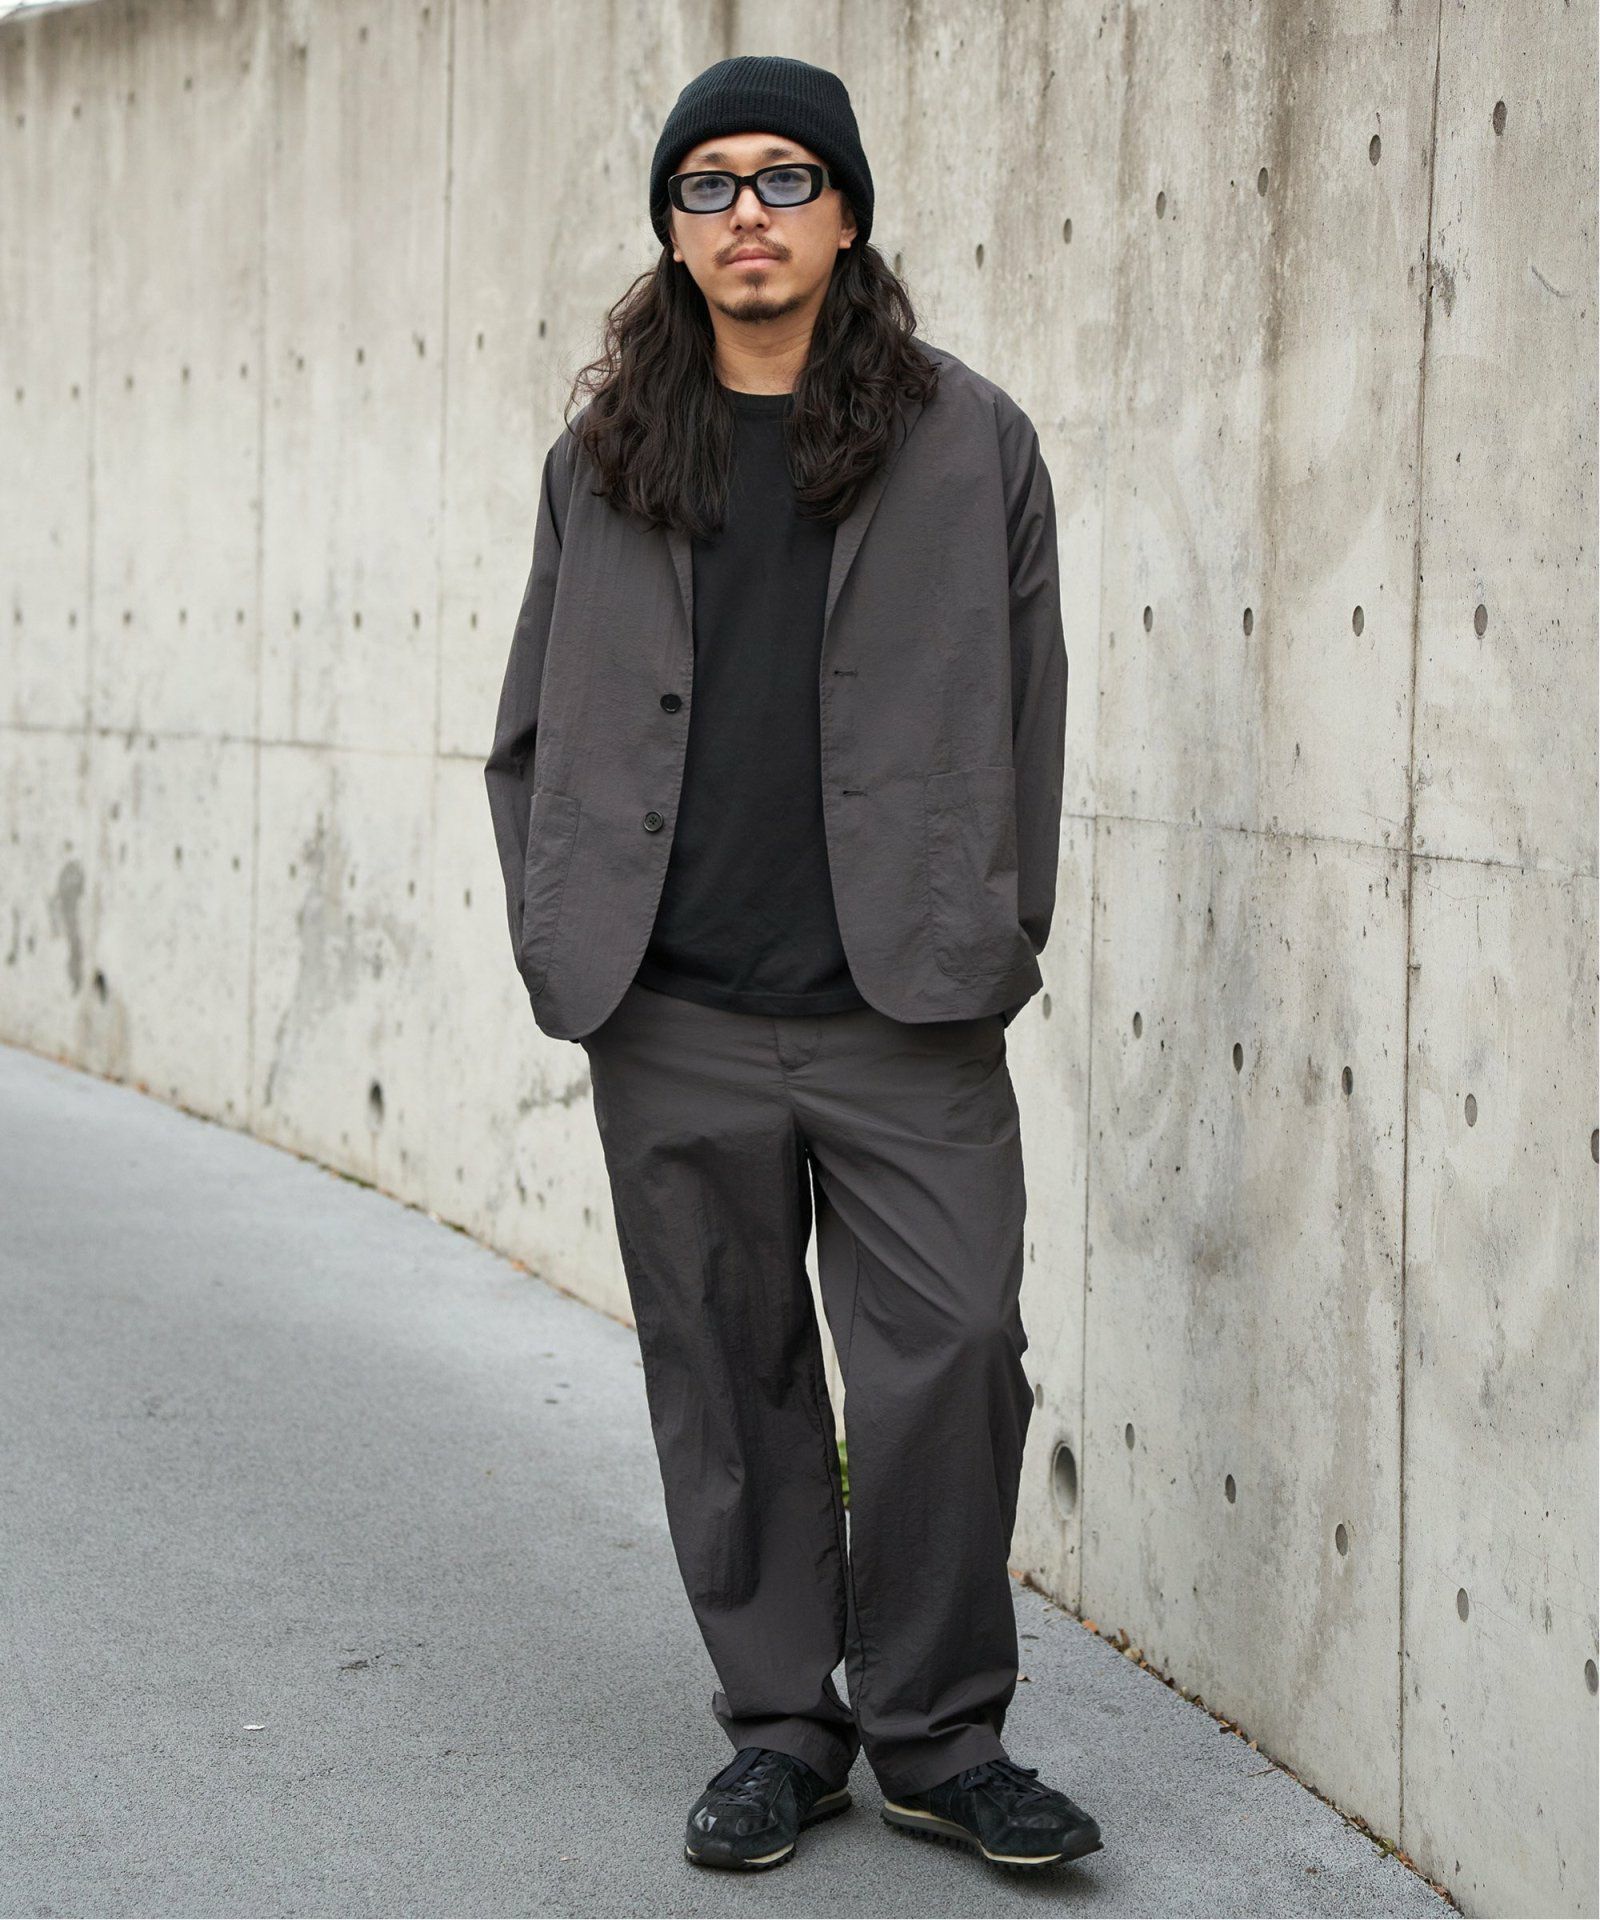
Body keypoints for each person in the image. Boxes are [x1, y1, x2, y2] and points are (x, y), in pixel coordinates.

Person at [484, 52, 1102, 1878]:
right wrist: (559, 926)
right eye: (709, 184)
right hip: (670, 1005)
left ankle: (940, 1735)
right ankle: (782, 1728)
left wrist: (996, 927)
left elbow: (1031, 712)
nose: (745, 213)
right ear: (674, 231)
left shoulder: (969, 440)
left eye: (782, 178)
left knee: (954, 1354)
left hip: (905, 1008)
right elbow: (532, 729)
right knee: (726, 1375)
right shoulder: (602, 458)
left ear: (845, 214)